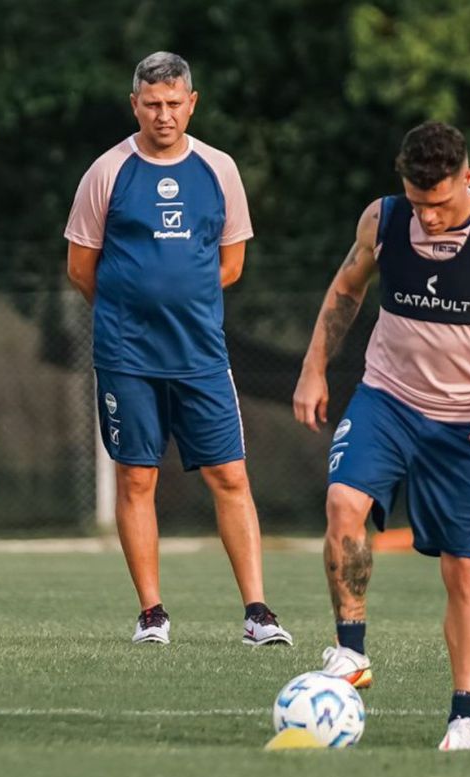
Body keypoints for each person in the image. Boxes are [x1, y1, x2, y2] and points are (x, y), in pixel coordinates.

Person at [292, 121, 470, 750]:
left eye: (439, 204)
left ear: (468, 176)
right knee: (342, 504)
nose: (429, 218)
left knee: (463, 573)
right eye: (418, 202)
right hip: (386, 400)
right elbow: (346, 290)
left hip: (467, 422)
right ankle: (350, 652)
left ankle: (464, 717)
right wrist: (313, 368)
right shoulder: (383, 221)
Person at [64, 52, 291, 647]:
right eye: (151, 104)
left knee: (230, 476)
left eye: (173, 103)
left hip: (200, 355)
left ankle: (258, 613)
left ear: (192, 103)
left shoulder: (219, 169)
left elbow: (232, 262)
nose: (163, 114)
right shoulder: (107, 171)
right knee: (137, 479)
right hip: (127, 356)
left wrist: (180, 298)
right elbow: (81, 267)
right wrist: (132, 305)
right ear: (134, 104)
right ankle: (152, 614)